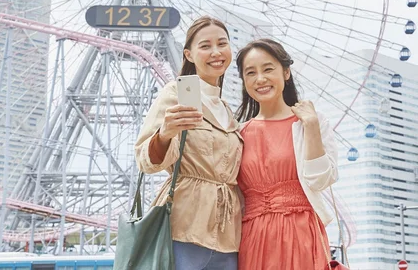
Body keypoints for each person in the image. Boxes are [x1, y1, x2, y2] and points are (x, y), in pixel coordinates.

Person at [134, 16, 243, 270]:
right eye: (205, 46)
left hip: (229, 233)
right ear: (189, 54)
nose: (216, 52)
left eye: (222, 44)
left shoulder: (228, 110)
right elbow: (145, 159)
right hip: (184, 225)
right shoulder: (177, 93)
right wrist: (164, 134)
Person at [235, 38, 338, 270]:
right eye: (250, 73)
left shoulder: (311, 122)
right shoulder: (238, 133)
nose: (260, 79)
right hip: (252, 236)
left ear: (286, 72)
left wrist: (310, 126)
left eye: (268, 69)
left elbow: (320, 180)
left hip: (301, 232)